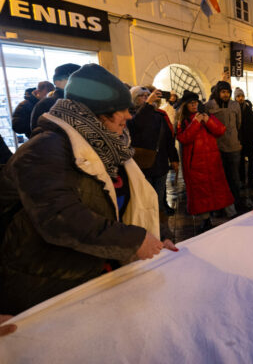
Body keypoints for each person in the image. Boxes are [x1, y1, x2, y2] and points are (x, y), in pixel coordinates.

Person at [0, 63, 175, 315]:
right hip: (46, 290)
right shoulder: (43, 149)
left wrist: (154, 240)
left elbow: (130, 203)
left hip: (98, 279)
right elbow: (60, 219)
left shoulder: (110, 147)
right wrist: (133, 241)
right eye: (122, 109)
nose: (129, 116)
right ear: (99, 112)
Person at [176, 91, 235, 231]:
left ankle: (231, 214)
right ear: (185, 105)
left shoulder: (207, 115)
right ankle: (206, 219)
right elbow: (184, 138)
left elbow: (220, 130)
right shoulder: (183, 121)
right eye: (191, 103)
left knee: (220, 188)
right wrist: (196, 123)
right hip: (195, 163)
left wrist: (207, 120)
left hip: (212, 160)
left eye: (195, 102)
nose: (194, 105)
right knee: (201, 192)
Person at [127, 86, 180, 223]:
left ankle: (160, 227)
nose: (146, 98)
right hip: (142, 164)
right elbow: (136, 125)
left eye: (147, 96)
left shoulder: (159, 115)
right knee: (146, 200)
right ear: (133, 98)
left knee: (159, 198)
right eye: (142, 96)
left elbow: (168, 139)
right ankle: (149, 225)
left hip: (160, 164)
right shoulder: (130, 114)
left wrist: (174, 158)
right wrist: (148, 105)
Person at [206, 81, 242, 204]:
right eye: (223, 92)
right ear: (218, 92)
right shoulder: (209, 106)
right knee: (219, 178)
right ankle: (221, 204)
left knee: (234, 178)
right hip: (217, 147)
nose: (225, 94)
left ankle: (236, 202)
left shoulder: (235, 105)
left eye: (227, 92)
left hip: (233, 147)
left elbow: (239, 123)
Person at [30, 63, 81, 133]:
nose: (77, 83)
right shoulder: (46, 104)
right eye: (71, 79)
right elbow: (38, 135)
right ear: (57, 82)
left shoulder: (80, 101)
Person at [234, 87, 253, 188]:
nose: (241, 98)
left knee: (252, 159)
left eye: (242, 96)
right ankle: (242, 180)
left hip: (249, 140)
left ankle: (251, 178)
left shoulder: (248, 108)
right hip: (239, 140)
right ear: (235, 98)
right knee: (240, 161)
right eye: (238, 96)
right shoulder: (234, 109)